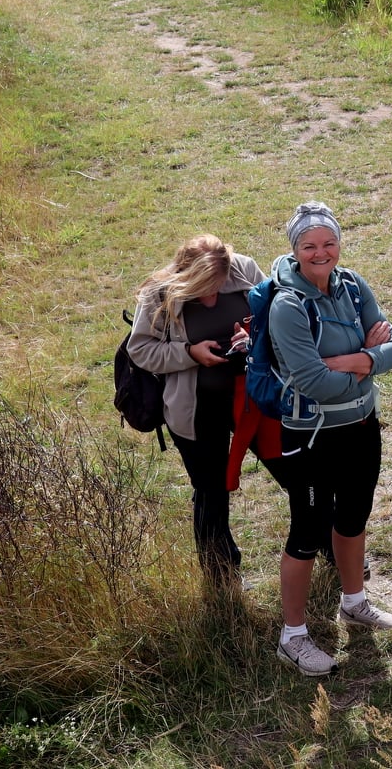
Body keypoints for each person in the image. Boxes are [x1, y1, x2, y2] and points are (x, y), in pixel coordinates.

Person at [269, 202, 392, 677]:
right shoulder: (288, 305)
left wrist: (354, 362)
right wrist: (369, 362)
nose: (320, 252)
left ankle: (355, 602)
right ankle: (293, 636)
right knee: (307, 532)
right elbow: (310, 380)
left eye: (328, 242)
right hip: (312, 436)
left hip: (362, 427)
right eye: (309, 245)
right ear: (295, 249)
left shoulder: (351, 283)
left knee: (352, 517)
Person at [126, 234, 265, 584]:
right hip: (195, 409)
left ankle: (326, 546)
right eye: (201, 290)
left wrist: (251, 339)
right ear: (182, 277)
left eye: (217, 286)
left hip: (254, 397)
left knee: (294, 470)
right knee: (211, 489)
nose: (211, 297)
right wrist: (189, 353)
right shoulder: (158, 294)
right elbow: (140, 350)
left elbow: (274, 317)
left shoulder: (245, 270)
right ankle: (221, 576)